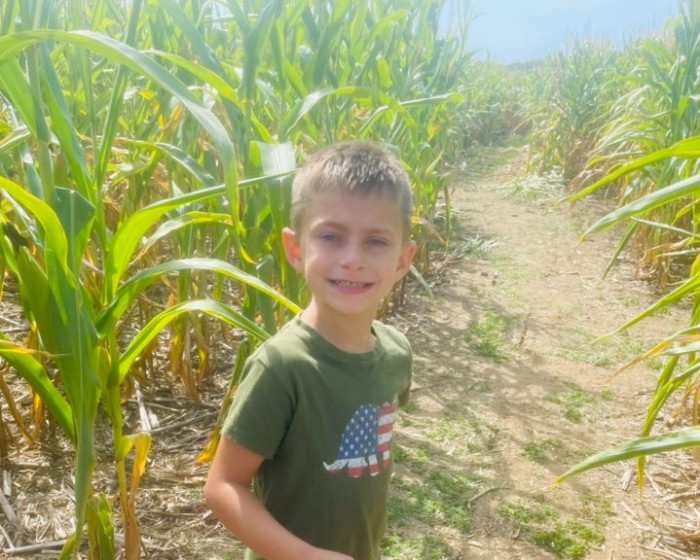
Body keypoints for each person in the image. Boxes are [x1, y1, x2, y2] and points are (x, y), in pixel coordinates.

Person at [204, 140, 418, 560]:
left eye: (376, 241)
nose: (353, 259)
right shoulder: (281, 367)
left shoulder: (396, 353)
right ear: (296, 250)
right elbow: (224, 485)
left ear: (402, 260)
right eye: (331, 237)